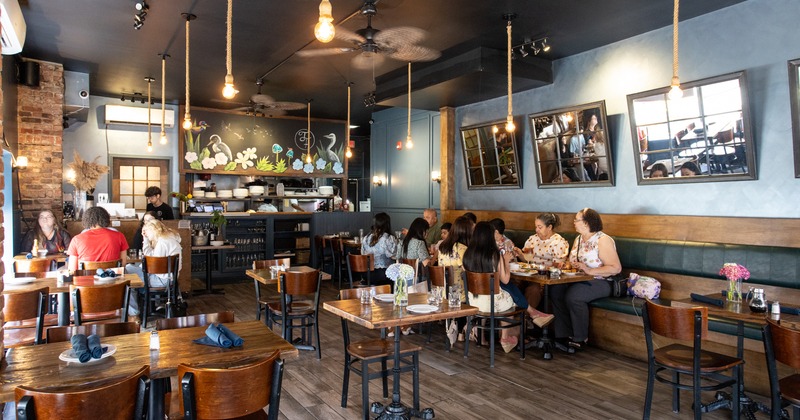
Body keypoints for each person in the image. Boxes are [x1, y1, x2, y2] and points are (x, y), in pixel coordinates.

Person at [463, 222, 554, 353]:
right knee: (508, 291)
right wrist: (505, 261)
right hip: (494, 304)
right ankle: (506, 337)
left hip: (474, 303)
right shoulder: (495, 254)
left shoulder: (467, 254)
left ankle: (531, 314)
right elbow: (505, 279)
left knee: (505, 288)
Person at [551, 208, 622, 352]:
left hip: (603, 281)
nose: (574, 222)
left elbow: (615, 268)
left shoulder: (603, 240)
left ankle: (580, 337)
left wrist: (590, 271)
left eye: (576, 220)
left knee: (575, 295)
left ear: (586, 223)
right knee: (556, 289)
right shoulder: (578, 239)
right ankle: (564, 334)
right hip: (581, 279)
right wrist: (566, 265)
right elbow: (575, 262)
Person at [513, 213, 570, 313]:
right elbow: (526, 260)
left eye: (540, 227)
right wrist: (520, 254)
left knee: (533, 290)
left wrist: (542, 267)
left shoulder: (558, 242)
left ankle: (526, 317)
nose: (536, 230)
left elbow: (558, 266)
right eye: (536, 227)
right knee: (511, 283)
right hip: (527, 274)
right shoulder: (533, 239)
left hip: (543, 277)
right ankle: (510, 315)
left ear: (549, 227)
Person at [125, 219, 183, 318]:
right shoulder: (170, 239)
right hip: (170, 278)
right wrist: (146, 240)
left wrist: (145, 241)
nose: (146, 234)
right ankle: (137, 311)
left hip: (161, 280)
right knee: (129, 269)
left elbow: (153, 264)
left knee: (128, 274)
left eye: (146, 232)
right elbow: (153, 256)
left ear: (152, 230)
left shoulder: (162, 242)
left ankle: (134, 313)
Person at [436, 216, 472, 344]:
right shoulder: (463, 249)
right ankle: (464, 331)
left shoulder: (443, 246)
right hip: (458, 293)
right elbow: (468, 271)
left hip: (443, 290)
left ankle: (458, 328)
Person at [67, 207, 128, 272]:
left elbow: (72, 269)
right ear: (106, 218)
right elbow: (123, 264)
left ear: (86, 220)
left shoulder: (76, 239)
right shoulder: (119, 236)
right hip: (113, 277)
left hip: (85, 278)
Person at [361, 212, 398, 285]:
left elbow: (362, 253)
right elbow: (393, 255)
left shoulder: (366, 238)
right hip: (383, 274)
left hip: (366, 274)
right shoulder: (388, 238)